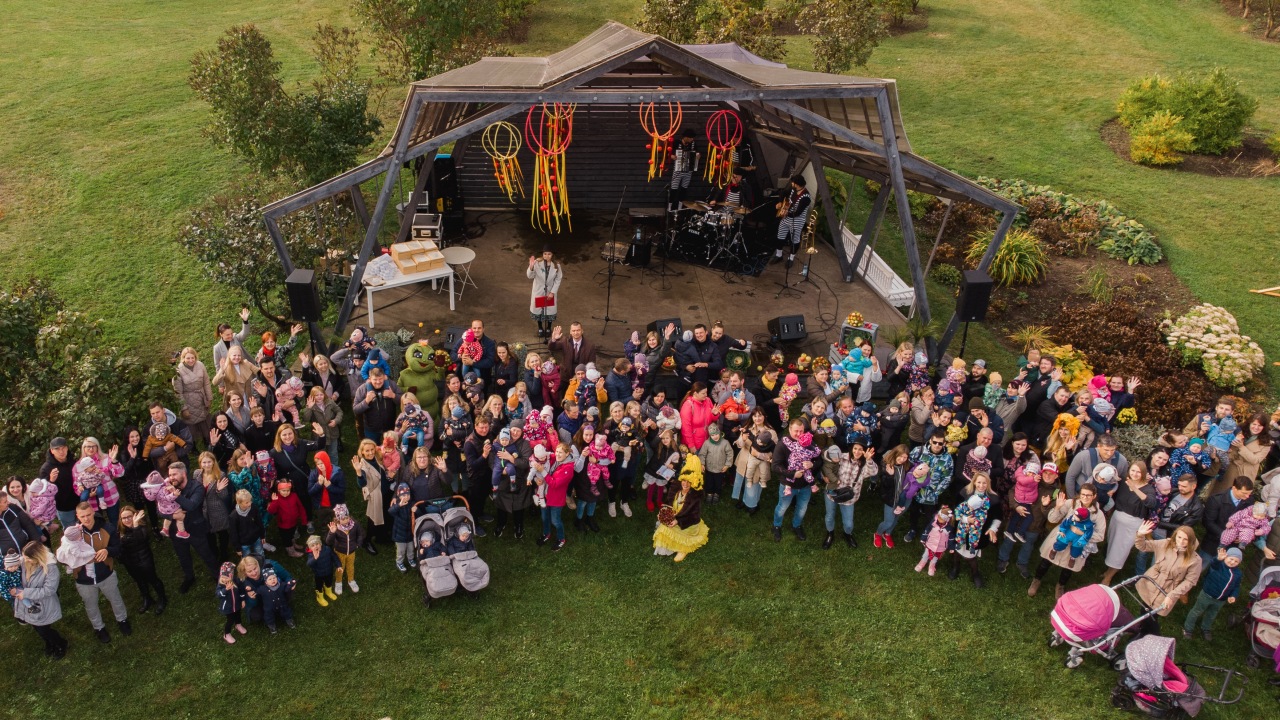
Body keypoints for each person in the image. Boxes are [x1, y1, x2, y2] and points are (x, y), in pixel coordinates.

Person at [1029, 483, 1106, 599]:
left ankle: (1060, 586)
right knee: (1046, 561)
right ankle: (1036, 580)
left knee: (1068, 567)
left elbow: (1100, 536)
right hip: (1062, 535)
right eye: (1083, 494)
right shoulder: (1071, 503)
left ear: (1094, 496)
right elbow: (1052, 519)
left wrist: (1082, 533)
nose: (1085, 497)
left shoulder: (1097, 514)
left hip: (1078, 543)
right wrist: (1057, 507)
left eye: (1089, 495)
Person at [67, 502, 131, 643]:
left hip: (106, 574)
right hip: (83, 579)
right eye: (82, 516)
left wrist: (107, 551)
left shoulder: (107, 528)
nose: (86, 519)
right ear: (77, 516)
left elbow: (118, 548)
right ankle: (99, 628)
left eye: (89, 515)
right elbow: (64, 554)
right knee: (91, 605)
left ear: (93, 512)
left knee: (115, 599)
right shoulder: (72, 533)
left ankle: (122, 620)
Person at [1133, 520, 1202, 633]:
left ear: (1191, 541)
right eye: (1179, 537)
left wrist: (1172, 595)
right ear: (1175, 536)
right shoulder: (1165, 544)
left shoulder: (1195, 560)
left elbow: (1190, 581)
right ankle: (1142, 631)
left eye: (1185, 539)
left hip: (1166, 592)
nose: (1181, 541)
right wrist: (1140, 535)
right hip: (1151, 584)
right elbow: (1143, 546)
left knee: (1152, 618)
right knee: (1144, 610)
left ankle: (1152, 636)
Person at [1100, 461, 1160, 585]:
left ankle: (1109, 577)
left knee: (1121, 550)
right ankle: (1108, 571)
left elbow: (1151, 503)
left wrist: (1135, 488)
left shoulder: (1148, 489)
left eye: (1138, 472)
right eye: (1133, 470)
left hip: (1132, 524)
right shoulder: (1123, 482)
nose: (1135, 474)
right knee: (1112, 546)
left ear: (1143, 473)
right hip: (1117, 519)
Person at [163, 462, 220, 592]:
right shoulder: (167, 487)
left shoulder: (197, 487)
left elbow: (191, 505)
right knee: (183, 556)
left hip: (195, 528)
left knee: (207, 554)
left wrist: (176, 496)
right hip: (176, 530)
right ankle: (189, 577)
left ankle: (218, 576)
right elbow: (159, 510)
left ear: (183, 474)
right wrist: (173, 515)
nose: (171, 478)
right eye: (170, 475)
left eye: (174, 474)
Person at [12, 541, 68, 660]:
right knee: (37, 627)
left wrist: (25, 593)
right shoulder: (25, 562)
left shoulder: (51, 568)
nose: (25, 560)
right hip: (29, 606)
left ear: (37, 557)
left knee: (43, 629)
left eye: (28, 558)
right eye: (24, 557)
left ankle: (60, 643)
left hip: (43, 606)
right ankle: (49, 642)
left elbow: (49, 590)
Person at [771, 419, 823, 542]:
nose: (799, 434)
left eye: (801, 431)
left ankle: (796, 525)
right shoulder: (783, 444)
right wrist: (793, 474)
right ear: (789, 430)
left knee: (802, 507)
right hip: (788, 485)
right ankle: (776, 525)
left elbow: (819, 460)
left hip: (805, 485)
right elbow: (775, 466)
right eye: (796, 431)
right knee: (782, 507)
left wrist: (812, 464)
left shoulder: (808, 441)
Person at [652, 455, 710, 562]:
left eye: (689, 482)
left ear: (694, 482)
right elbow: (668, 501)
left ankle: (684, 548)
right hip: (674, 517)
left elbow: (694, 517)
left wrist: (678, 521)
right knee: (662, 529)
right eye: (684, 480)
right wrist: (664, 511)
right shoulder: (676, 486)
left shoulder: (696, 495)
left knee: (664, 530)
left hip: (687, 524)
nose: (685, 484)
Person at [822, 441, 877, 549]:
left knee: (848, 523)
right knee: (829, 517)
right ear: (851, 448)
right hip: (832, 493)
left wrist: (869, 459)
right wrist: (823, 476)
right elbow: (826, 465)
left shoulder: (864, 464)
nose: (857, 452)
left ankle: (847, 534)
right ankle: (830, 534)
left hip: (848, 498)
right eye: (855, 448)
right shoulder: (841, 457)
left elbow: (874, 472)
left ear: (864, 451)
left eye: (860, 449)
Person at [1183, 547, 1244, 641]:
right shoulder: (1219, 565)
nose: (1233, 562)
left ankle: (1205, 628)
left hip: (1221, 600)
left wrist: (1233, 595)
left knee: (1211, 615)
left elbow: (1236, 586)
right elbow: (1213, 563)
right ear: (1226, 557)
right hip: (1206, 595)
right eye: (1231, 559)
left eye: (1236, 561)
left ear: (1239, 563)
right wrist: (1218, 559)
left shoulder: (1238, 573)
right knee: (1196, 611)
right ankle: (1188, 628)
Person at [904, 430, 955, 542]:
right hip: (915, 490)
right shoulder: (919, 451)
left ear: (944, 444)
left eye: (940, 443)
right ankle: (912, 530)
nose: (937, 445)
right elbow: (908, 466)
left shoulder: (947, 459)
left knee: (929, 515)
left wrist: (936, 492)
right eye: (935, 442)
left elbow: (947, 477)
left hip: (931, 494)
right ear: (930, 441)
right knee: (914, 511)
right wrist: (911, 484)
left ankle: (927, 532)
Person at [117, 504, 167, 616]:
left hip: (144, 560)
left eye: (129, 517)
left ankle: (162, 598)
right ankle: (147, 598)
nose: (127, 520)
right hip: (130, 563)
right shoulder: (121, 531)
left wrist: (135, 526)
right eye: (124, 518)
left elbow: (139, 539)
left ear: (135, 516)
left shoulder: (142, 528)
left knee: (153, 580)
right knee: (140, 581)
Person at [235, 555, 295, 633]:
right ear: (245, 573)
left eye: (255, 568)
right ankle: (271, 617)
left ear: (258, 564)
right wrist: (252, 598)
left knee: (288, 591)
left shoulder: (271, 565)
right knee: (256, 615)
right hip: (261, 601)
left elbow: (287, 577)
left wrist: (290, 583)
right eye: (249, 571)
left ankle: (283, 607)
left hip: (277, 593)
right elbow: (249, 604)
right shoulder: (243, 582)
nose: (254, 573)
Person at [532, 443, 575, 551]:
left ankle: (561, 539)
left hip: (556, 499)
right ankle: (546, 534)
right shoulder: (554, 458)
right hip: (545, 495)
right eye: (557, 451)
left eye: (561, 452)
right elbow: (539, 455)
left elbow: (554, 484)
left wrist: (542, 471)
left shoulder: (568, 468)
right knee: (544, 518)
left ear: (567, 454)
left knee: (555, 521)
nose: (557, 454)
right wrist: (536, 479)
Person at [352, 439, 389, 553]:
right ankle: (367, 540)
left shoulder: (377, 458)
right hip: (375, 496)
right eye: (367, 451)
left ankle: (380, 537)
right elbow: (362, 483)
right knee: (373, 519)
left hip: (385, 493)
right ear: (362, 452)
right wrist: (358, 472)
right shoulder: (362, 466)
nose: (370, 452)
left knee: (384, 515)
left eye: (372, 449)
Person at [1064, 434, 1128, 498]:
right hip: (1080, 495)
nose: (1109, 453)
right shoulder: (1083, 456)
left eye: (1112, 450)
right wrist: (1071, 498)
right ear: (1098, 446)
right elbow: (1070, 477)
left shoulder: (1122, 461)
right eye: (1106, 450)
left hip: (1103, 497)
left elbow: (1121, 483)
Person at [174, 347, 214, 447]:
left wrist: (209, 398)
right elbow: (178, 392)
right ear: (183, 358)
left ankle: (207, 440)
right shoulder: (178, 371)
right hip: (188, 401)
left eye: (193, 358)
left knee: (204, 420)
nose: (191, 360)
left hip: (201, 398)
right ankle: (193, 445)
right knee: (191, 423)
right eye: (188, 358)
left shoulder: (200, 365)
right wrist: (184, 408)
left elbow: (206, 383)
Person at [354, 368, 402, 442]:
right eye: (375, 379)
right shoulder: (362, 389)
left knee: (390, 448)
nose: (378, 382)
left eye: (380, 379)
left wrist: (393, 395)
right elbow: (356, 410)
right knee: (373, 448)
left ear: (384, 377)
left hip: (390, 427)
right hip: (371, 429)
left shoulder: (391, 385)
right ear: (370, 379)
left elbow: (403, 401)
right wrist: (366, 401)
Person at [39, 437, 78, 529]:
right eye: (57, 449)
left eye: (63, 448)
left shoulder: (74, 461)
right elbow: (43, 493)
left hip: (81, 501)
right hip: (63, 507)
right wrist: (51, 481)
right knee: (71, 530)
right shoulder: (46, 468)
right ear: (52, 451)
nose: (61, 451)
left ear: (67, 448)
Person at [773, 174, 811, 267]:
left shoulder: (806, 197)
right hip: (786, 218)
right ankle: (779, 255)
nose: (791, 184)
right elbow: (783, 193)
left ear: (797, 184)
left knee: (795, 240)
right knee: (780, 235)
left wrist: (785, 213)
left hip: (797, 221)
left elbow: (797, 213)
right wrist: (780, 202)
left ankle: (791, 258)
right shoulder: (793, 190)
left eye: (793, 183)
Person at [527, 247, 563, 340]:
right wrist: (531, 267)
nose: (547, 256)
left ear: (552, 255)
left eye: (549, 254)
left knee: (549, 311)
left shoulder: (556, 266)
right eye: (545, 254)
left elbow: (558, 279)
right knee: (539, 311)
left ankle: (548, 328)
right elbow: (530, 276)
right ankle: (540, 328)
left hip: (550, 292)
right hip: (539, 291)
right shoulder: (537, 263)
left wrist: (552, 292)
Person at [267, 479, 307, 558]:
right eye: (283, 491)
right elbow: (271, 511)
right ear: (279, 490)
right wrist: (274, 502)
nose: (286, 493)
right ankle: (291, 551)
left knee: (292, 535)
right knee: (286, 538)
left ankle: (293, 544)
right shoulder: (277, 499)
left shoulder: (294, 496)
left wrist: (304, 519)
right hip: (283, 525)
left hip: (294, 522)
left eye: (288, 490)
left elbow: (300, 507)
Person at [697, 424, 734, 505]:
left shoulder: (725, 443)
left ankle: (717, 494)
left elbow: (730, 454)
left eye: (716, 434)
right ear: (710, 435)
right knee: (709, 482)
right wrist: (702, 464)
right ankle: (709, 493)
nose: (715, 436)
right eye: (712, 435)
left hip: (720, 469)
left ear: (719, 433)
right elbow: (702, 454)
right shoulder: (707, 443)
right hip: (709, 468)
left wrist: (727, 465)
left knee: (718, 483)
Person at [0, 488, 43, 558]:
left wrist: (37, 544)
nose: (8, 502)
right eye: (5, 502)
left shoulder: (13, 508)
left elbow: (28, 525)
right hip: (8, 559)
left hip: (27, 551)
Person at [679, 382, 720, 452]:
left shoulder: (708, 400)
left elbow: (711, 420)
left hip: (707, 441)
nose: (706, 395)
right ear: (695, 393)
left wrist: (715, 414)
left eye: (706, 392)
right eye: (703, 393)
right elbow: (686, 428)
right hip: (695, 444)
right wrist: (691, 445)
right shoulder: (688, 405)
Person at [215, 561, 248, 645]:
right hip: (228, 607)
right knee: (230, 620)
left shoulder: (235, 581)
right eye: (223, 577)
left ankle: (238, 624)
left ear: (231, 575)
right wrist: (226, 589)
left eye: (227, 577)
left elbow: (241, 590)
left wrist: (242, 599)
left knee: (238, 615)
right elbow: (219, 595)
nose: (225, 579)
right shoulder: (221, 585)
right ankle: (227, 634)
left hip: (237, 604)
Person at [304, 534, 340, 607]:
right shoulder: (311, 555)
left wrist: (339, 565)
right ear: (310, 548)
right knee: (319, 585)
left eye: (317, 544)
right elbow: (309, 564)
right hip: (319, 574)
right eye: (313, 545)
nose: (316, 546)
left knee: (329, 582)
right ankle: (320, 597)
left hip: (329, 571)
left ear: (320, 544)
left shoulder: (327, 549)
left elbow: (334, 557)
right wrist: (315, 558)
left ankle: (328, 592)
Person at [212, 308, 252, 372]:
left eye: (231, 333)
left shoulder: (235, 337)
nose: (230, 336)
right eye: (227, 335)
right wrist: (221, 376)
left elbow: (244, 333)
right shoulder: (217, 348)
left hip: (245, 369)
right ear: (221, 334)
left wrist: (245, 321)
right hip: (231, 373)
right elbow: (217, 366)